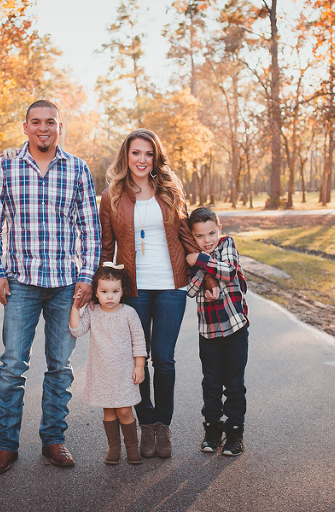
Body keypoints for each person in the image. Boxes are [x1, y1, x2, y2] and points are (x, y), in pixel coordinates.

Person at [0, 100, 101, 474]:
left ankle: (53, 440)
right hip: (20, 282)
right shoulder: (6, 166)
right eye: (36, 122)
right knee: (12, 366)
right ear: (25, 127)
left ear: (60, 128)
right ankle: (5, 445)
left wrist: (86, 277)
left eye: (50, 122)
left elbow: (91, 231)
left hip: (66, 283)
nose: (43, 128)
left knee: (60, 367)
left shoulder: (78, 169)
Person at [99, 128, 200, 459]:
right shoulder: (112, 196)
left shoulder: (170, 192)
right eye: (136, 153)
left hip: (172, 285)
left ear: (156, 158)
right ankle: (146, 423)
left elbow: (186, 238)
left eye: (148, 154)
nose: (142, 160)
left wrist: (209, 277)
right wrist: (100, 288)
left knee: (165, 358)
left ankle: (164, 425)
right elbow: (106, 246)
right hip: (135, 289)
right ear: (126, 157)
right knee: (137, 358)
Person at [186, 207, 249, 457]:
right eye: (200, 237)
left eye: (211, 233)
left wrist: (199, 261)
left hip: (236, 328)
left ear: (219, 230)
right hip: (208, 333)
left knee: (234, 384)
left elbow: (229, 270)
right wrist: (204, 267)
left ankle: (234, 433)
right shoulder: (191, 255)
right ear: (193, 237)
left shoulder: (227, 245)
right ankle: (212, 431)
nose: (207, 240)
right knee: (211, 384)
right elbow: (190, 289)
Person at [69, 263, 146, 465]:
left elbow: (139, 341)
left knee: (124, 410)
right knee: (109, 410)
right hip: (102, 372)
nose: (109, 297)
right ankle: (114, 447)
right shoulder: (92, 312)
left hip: (123, 372)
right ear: (96, 292)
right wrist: (76, 306)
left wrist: (139, 366)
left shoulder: (129, 313)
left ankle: (132, 447)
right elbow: (77, 330)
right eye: (104, 292)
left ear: (123, 291)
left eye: (115, 291)